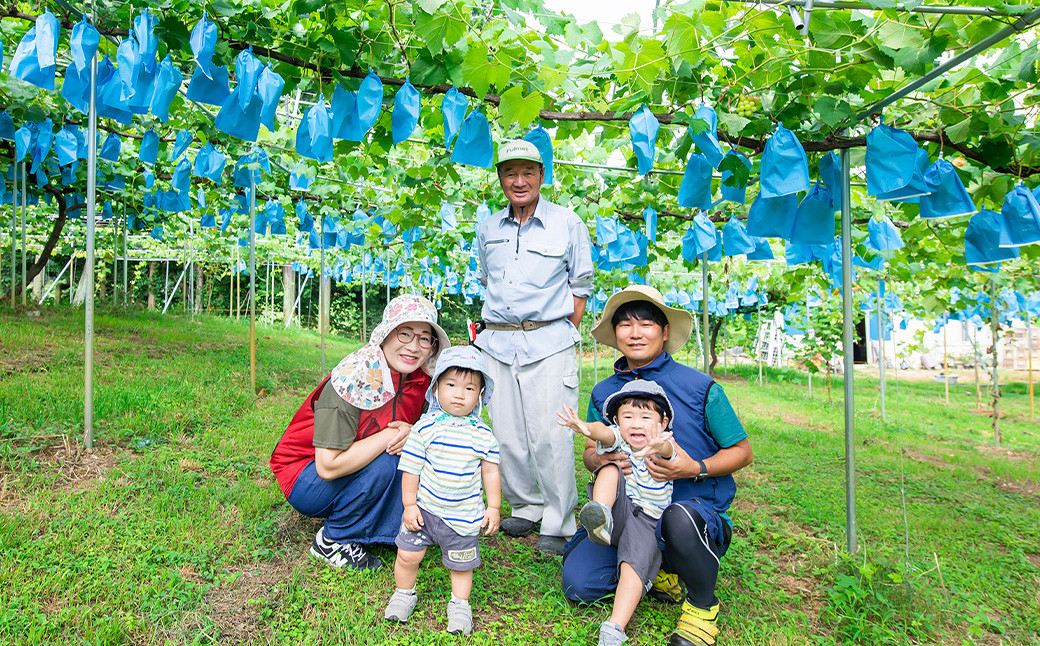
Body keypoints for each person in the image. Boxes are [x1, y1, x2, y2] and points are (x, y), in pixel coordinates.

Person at [560, 285, 754, 646]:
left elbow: (742, 451)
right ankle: (659, 571)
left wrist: (693, 467)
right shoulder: (604, 392)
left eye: (646, 324)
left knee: (677, 519)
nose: (635, 333)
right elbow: (590, 451)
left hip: (690, 513)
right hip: (629, 510)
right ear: (615, 334)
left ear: (665, 332)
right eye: (625, 325)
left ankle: (701, 605)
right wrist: (602, 458)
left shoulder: (700, 387)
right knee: (580, 584)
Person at [269, 294, 449, 571]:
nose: (414, 347)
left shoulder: (423, 382)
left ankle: (385, 528)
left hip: (360, 464)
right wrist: (391, 436)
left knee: (413, 454)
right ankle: (333, 539)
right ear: (386, 334)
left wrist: (413, 431)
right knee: (392, 457)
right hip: (307, 477)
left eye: (425, 338)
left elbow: (438, 438)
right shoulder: (351, 379)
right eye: (404, 333)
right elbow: (328, 466)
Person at [475, 139, 594, 555]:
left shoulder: (568, 223)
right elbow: (488, 278)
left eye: (528, 172)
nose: (519, 180)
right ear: (501, 180)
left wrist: (551, 330)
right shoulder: (488, 227)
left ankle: (559, 520)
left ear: (542, 176)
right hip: (497, 342)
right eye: (510, 173)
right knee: (506, 433)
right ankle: (526, 505)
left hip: (549, 341)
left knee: (550, 435)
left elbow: (580, 286)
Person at [384, 346, 501, 636]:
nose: (459, 394)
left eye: (469, 388)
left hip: (463, 517)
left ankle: (460, 604)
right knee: (408, 555)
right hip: (424, 511)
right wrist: (409, 506)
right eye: (450, 385)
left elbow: (490, 471)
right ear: (435, 389)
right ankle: (403, 593)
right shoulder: (424, 429)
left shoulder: (483, 434)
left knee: (461, 566)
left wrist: (494, 507)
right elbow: (411, 469)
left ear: (480, 395)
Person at [557, 380, 677, 646]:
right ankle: (599, 514)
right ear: (617, 420)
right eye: (628, 417)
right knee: (610, 467)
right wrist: (587, 428)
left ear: (663, 421)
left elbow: (670, 452)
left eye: (646, 417)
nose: (636, 424)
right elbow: (605, 434)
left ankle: (614, 627)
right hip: (617, 510)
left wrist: (661, 446)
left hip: (648, 520)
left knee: (633, 565)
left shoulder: (665, 441)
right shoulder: (620, 438)